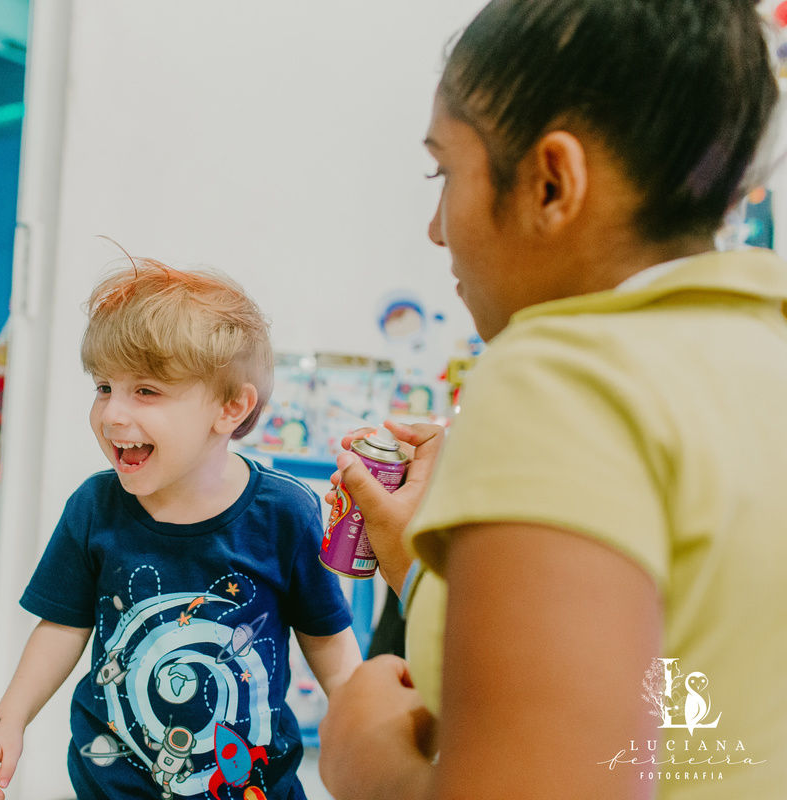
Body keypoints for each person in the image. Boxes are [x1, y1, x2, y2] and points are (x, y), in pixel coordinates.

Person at [316, 1, 787, 798]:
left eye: (444, 174)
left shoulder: (559, 377)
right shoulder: (762, 351)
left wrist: (372, 766)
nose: (435, 230)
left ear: (551, 182)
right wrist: (421, 569)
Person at [0, 259, 363, 800]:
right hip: (113, 785)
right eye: (104, 387)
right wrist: (8, 721)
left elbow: (329, 643)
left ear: (231, 407)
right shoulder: (94, 507)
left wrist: (365, 730)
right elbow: (61, 627)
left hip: (252, 787)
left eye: (146, 391)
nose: (112, 414)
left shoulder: (285, 513)